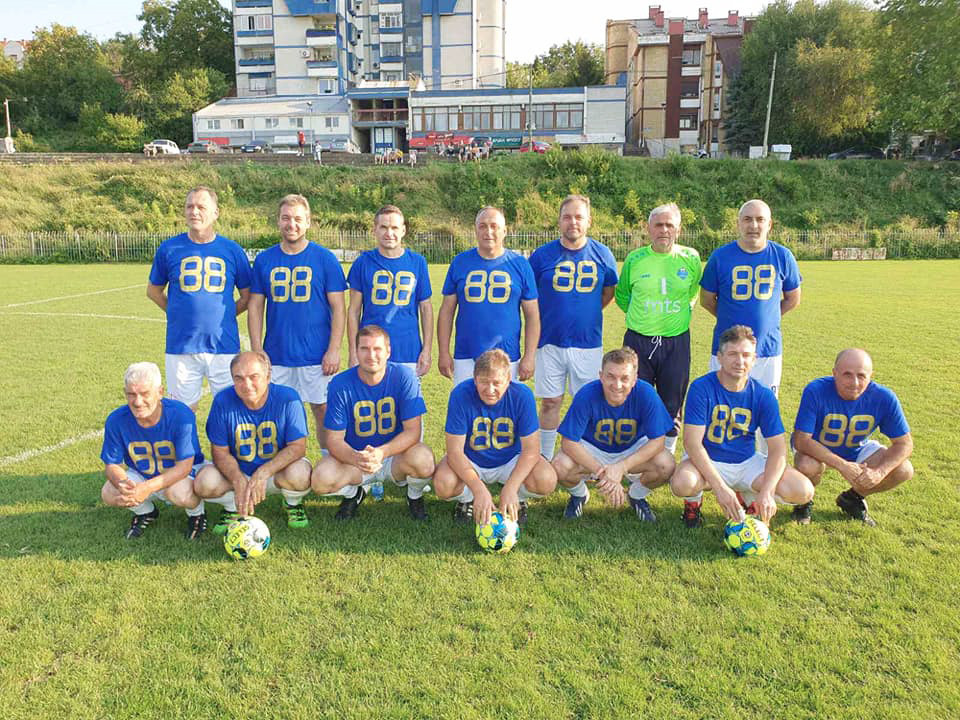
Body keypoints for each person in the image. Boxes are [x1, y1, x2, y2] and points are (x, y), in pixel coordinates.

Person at [669, 325, 814, 528]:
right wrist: (720, 488)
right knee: (683, 483)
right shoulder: (701, 388)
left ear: (754, 359)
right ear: (720, 357)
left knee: (803, 490)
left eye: (746, 355)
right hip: (710, 459)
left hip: (746, 462)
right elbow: (692, 444)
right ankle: (693, 504)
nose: (740, 361)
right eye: (732, 354)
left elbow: (778, 449)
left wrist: (767, 491)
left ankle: (748, 496)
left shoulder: (763, 395)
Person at [247, 194, 346, 448]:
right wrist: (257, 349)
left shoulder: (325, 258)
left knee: (322, 409)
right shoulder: (265, 260)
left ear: (308, 222)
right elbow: (255, 306)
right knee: (276, 412)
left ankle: (328, 459)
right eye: (286, 218)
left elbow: (339, 308)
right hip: (277, 353)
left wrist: (334, 349)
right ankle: (281, 461)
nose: (292, 224)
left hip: (317, 354)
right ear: (278, 221)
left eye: (298, 219)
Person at [310, 325, 435, 520]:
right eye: (364, 349)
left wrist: (382, 452)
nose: (371, 355)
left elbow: (413, 431)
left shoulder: (404, 376)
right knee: (321, 479)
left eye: (377, 349)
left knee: (424, 460)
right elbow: (333, 440)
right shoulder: (340, 384)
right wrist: (357, 458)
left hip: (394, 457)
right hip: (357, 459)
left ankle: (414, 496)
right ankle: (354, 494)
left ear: (388, 351)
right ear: (355, 351)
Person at [529, 195, 618, 460]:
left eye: (579, 217)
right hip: (549, 341)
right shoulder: (541, 256)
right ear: (559, 221)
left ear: (589, 221)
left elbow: (608, 293)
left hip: (587, 343)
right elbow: (530, 297)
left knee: (587, 403)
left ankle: (585, 459)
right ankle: (544, 458)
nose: (573, 222)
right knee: (550, 402)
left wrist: (584, 313)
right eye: (567, 217)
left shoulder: (603, 254)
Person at [147, 186, 251, 411]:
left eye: (201, 207)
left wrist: (224, 316)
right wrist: (176, 313)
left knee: (231, 411)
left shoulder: (232, 250)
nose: (194, 212)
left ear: (215, 213)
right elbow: (153, 291)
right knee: (182, 413)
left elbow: (247, 296)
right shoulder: (169, 248)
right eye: (189, 206)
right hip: (181, 345)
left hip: (223, 345)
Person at [433, 349, 557, 527]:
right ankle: (467, 500)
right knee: (443, 484)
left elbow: (531, 450)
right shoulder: (461, 394)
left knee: (546, 479)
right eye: (484, 382)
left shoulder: (522, 395)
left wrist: (511, 487)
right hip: (471, 459)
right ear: (475, 379)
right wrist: (478, 490)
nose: (490, 390)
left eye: (496, 383)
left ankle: (517, 498)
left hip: (510, 460)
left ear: (508, 379)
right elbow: (455, 452)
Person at [615, 202, 702, 454]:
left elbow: (693, 291)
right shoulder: (635, 259)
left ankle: (667, 455)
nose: (664, 230)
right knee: (634, 398)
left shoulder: (691, 258)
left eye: (669, 225)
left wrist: (676, 313)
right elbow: (623, 296)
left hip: (676, 341)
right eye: (659, 225)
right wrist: (645, 317)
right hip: (638, 341)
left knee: (672, 401)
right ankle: (636, 456)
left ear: (679, 229)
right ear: (649, 228)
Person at [194, 351, 312, 534]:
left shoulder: (288, 398)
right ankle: (232, 507)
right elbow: (219, 452)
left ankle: (293, 503)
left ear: (268, 376)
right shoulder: (223, 401)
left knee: (301, 474)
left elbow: (298, 447)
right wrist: (237, 478)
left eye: (253, 377)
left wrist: (264, 472)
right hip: (238, 471)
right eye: (239, 378)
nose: (246, 385)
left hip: (275, 472)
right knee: (204, 482)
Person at [792, 348, 913, 526]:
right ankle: (804, 502)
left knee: (904, 470)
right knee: (807, 466)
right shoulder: (816, 390)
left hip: (857, 447)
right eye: (847, 374)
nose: (854, 383)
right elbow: (801, 440)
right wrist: (842, 465)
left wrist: (879, 472)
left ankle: (853, 498)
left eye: (861, 376)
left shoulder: (884, 397)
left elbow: (904, 444)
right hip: (817, 447)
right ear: (834, 373)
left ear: (871, 376)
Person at [552, 347, 676, 521]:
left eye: (624, 378)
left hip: (632, 447)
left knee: (666, 464)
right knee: (560, 465)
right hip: (594, 448)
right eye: (610, 376)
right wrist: (602, 472)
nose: (617, 385)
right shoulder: (587, 394)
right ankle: (579, 495)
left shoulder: (646, 393)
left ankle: (636, 495)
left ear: (634, 379)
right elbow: (568, 442)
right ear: (601, 376)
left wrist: (621, 467)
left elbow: (658, 441)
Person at [700, 199, 801, 397]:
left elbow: (793, 299)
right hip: (726, 348)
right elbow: (707, 300)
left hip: (767, 349)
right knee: (723, 404)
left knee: (765, 406)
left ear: (769, 224)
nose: (753, 225)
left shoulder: (783, 256)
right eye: (747, 219)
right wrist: (730, 317)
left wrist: (769, 317)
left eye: (760, 219)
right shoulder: (720, 257)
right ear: (738, 223)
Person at [100, 362, 207, 540]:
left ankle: (197, 514)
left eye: (145, 394)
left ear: (160, 392)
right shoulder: (116, 419)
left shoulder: (180, 415)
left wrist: (146, 488)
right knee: (109, 492)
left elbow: (184, 466)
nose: (137, 401)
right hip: (142, 473)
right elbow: (112, 464)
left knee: (179, 493)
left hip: (179, 476)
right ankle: (146, 512)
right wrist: (123, 483)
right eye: (131, 394)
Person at [437, 206, 539, 386]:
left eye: (494, 226)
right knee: (466, 402)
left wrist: (529, 356)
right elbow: (446, 311)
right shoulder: (460, 262)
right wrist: (443, 352)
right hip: (466, 355)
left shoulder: (520, 264)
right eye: (482, 226)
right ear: (475, 230)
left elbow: (532, 315)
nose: (488, 231)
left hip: (507, 356)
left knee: (503, 404)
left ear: (505, 231)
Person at [347, 205, 432, 382]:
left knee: (408, 399)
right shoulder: (362, 263)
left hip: (408, 349)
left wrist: (427, 350)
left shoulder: (417, 262)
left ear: (403, 230)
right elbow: (353, 311)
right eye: (384, 227)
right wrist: (353, 352)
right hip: (371, 350)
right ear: (375, 230)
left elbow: (426, 309)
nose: (389, 233)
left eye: (394, 227)